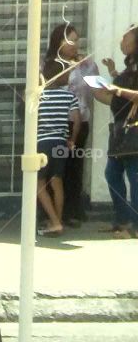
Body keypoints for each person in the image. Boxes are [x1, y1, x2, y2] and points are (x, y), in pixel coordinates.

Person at [49, 23, 100, 226]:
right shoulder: (51, 64)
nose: (75, 44)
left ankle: (72, 211)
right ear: (59, 42)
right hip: (57, 122)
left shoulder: (86, 65)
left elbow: (98, 89)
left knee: (75, 166)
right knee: (56, 169)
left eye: (77, 40)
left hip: (80, 121)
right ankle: (51, 213)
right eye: (70, 39)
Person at [96, 26, 138, 238]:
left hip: (134, 131)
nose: (121, 41)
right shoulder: (130, 66)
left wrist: (117, 89)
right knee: (112, 174)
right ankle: (121, 221)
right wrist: (113, 73)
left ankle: (134, 228)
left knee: (135, 177)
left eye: (125, 38)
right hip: (121, 130)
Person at [35, 53, 81, 237]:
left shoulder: (39, 95)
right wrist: (72, 140)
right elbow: (76, 120)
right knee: (57, 183)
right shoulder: (69, 96)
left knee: (39, 184)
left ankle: (54, 222)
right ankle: (58, 221)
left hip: (42, 142)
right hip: (61, 142)